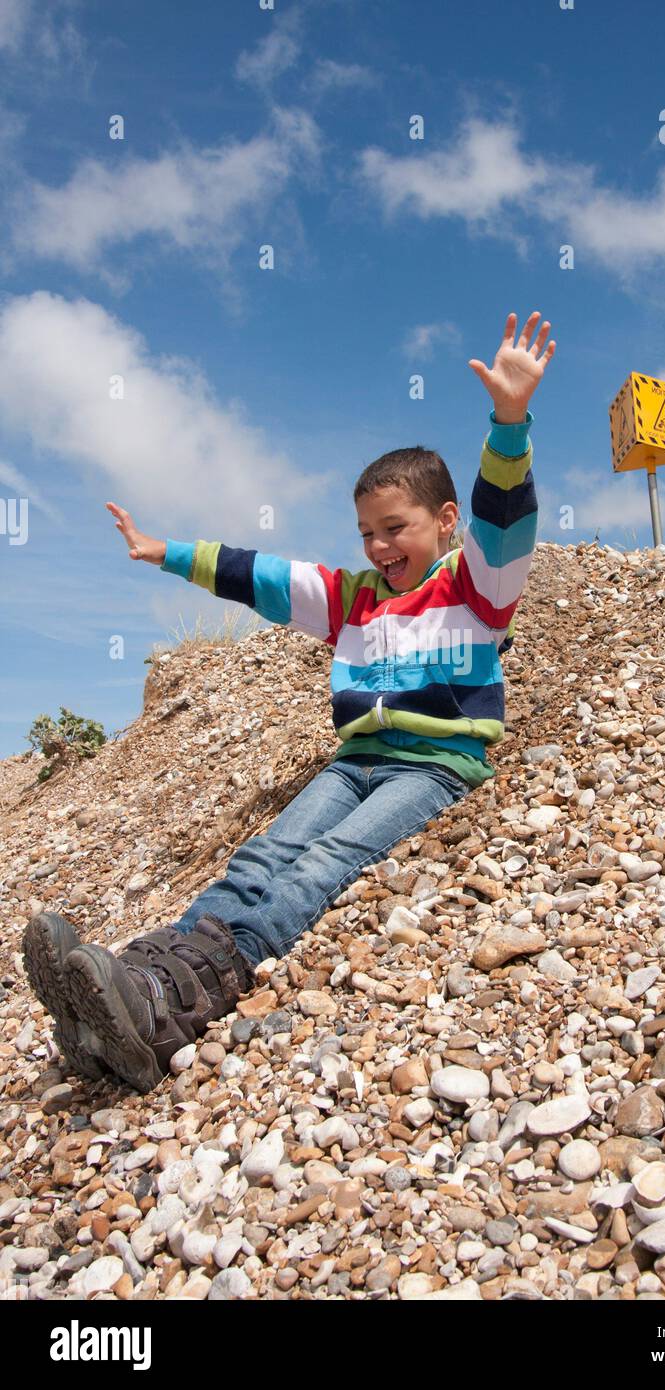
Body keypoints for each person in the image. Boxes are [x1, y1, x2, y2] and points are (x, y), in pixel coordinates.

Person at [23, 309, 555, 1093]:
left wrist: (508, 422)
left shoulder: (478, 587)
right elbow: (262, 577)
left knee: (324, 864)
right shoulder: (353, 598)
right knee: (263, 857)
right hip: (354, 763)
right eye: (366, 532)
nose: (378, 547)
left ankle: (174, 1000)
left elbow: (505, 522)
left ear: (444, 522)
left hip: (433, 767)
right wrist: (163, 553)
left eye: (395, 528)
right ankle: (132, 980)